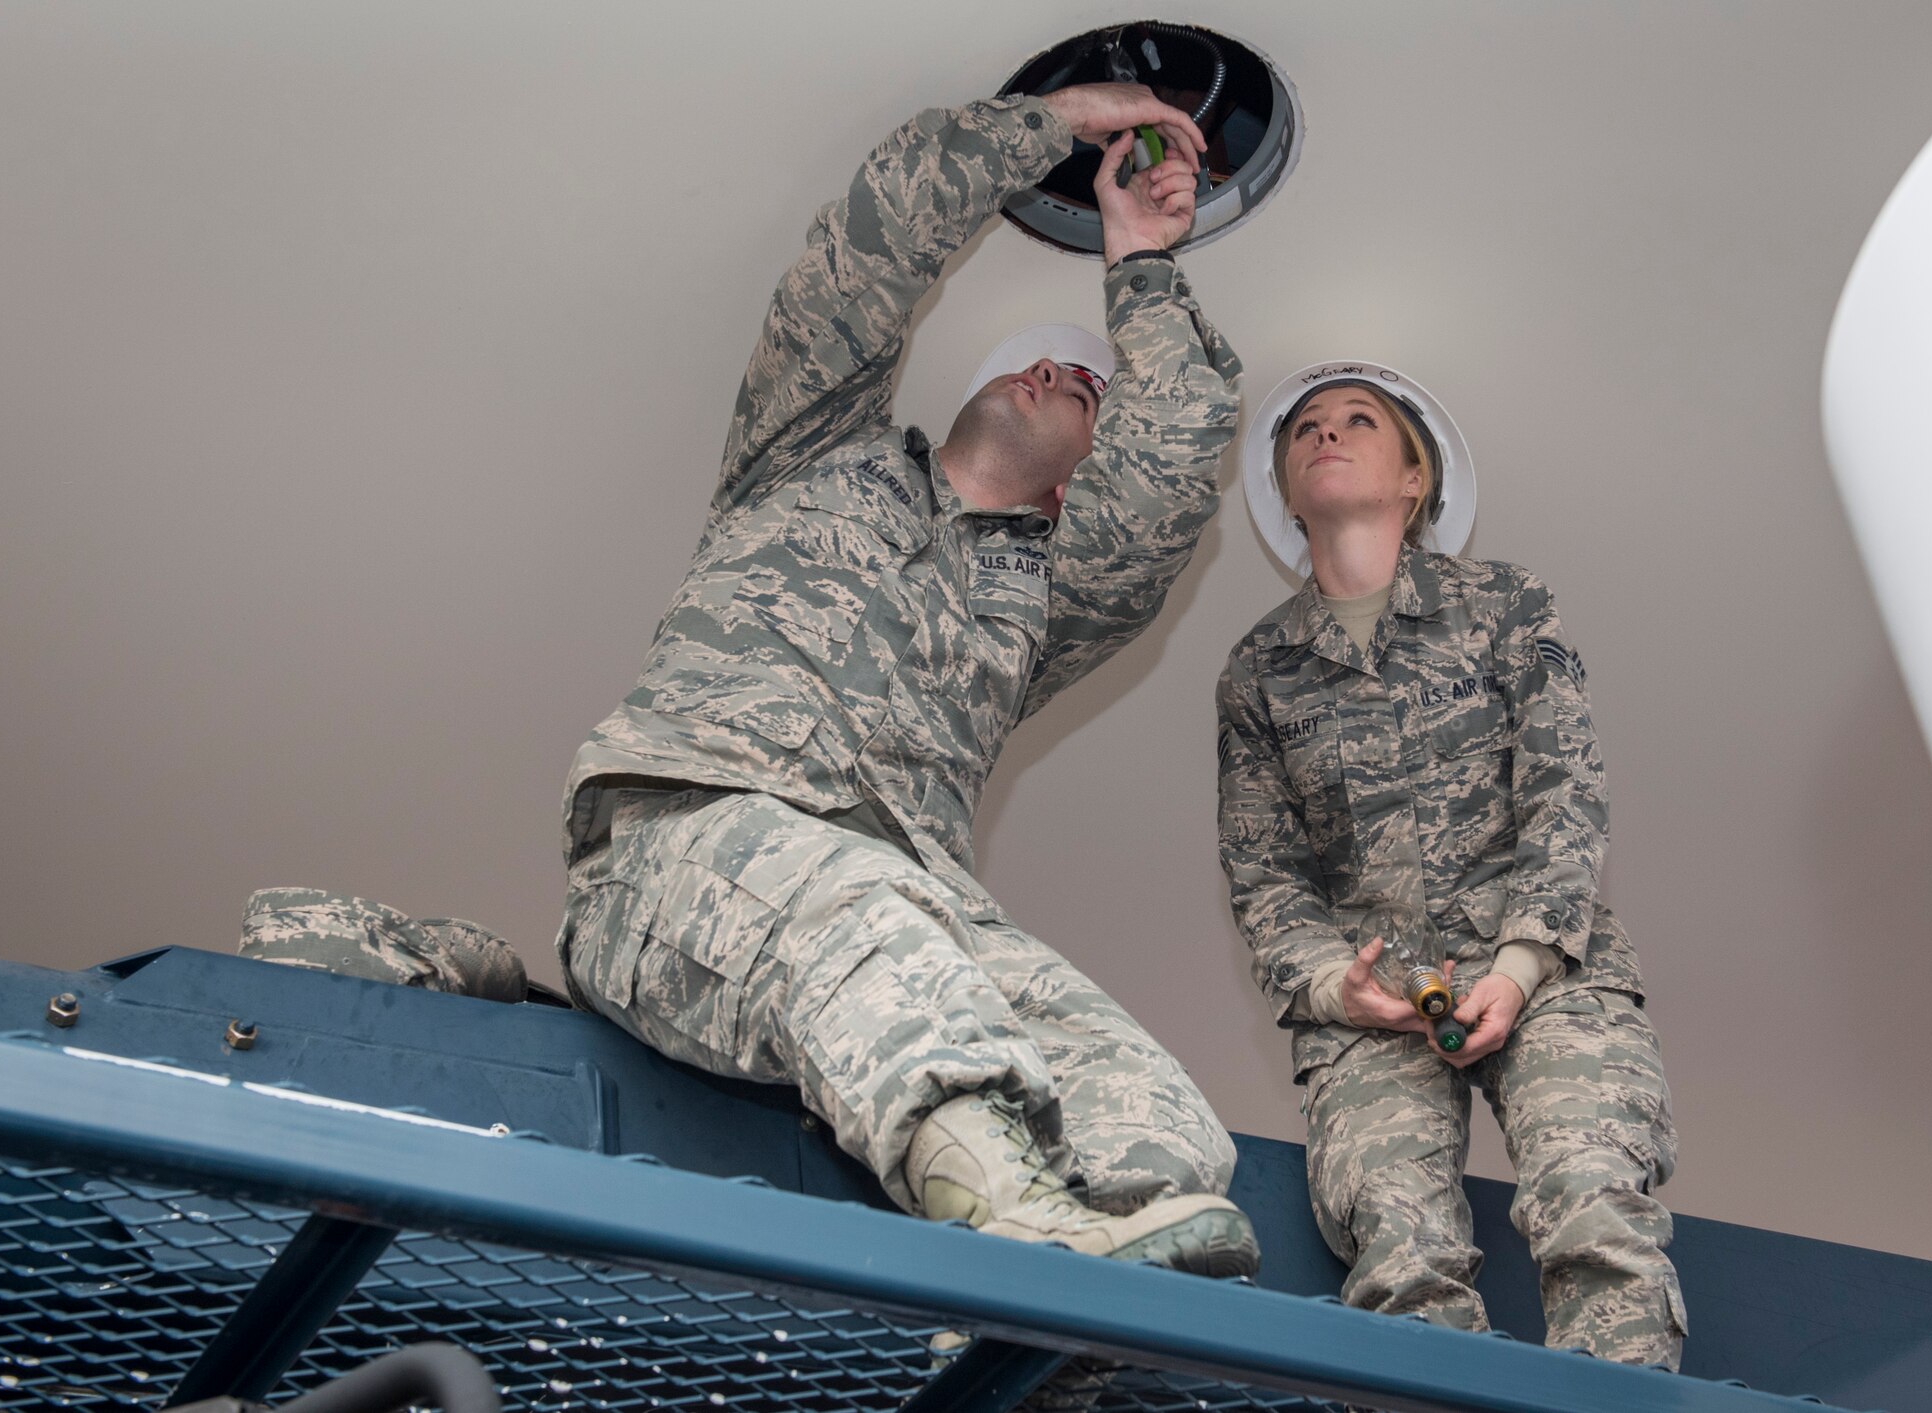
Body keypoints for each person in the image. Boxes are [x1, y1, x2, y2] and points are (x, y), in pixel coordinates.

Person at [558, 83, 1257, 1278]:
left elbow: (1178, 454)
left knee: (1143, 1096)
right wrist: (1048, 121)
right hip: (686, 843)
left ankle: (1099, 1305)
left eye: (1085, 387)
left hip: (910, 903)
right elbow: (865, 253)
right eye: (1037, 360)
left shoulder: (1047, 597)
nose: (1053, 371)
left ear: (1068, 488)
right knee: (860, 919)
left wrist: (1138, 262)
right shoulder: (809, 450)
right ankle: (1011, 1236)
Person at [1215, 362, 1684, 1364]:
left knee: (1592, 1201)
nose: (1325, 435)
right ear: (1286, 492)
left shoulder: (1505, 606)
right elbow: (1265, 877)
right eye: (1303, 430)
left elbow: (1564, 790)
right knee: (1398, 1254)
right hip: (1372, 998)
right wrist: (1334, 990)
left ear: (1413, 479)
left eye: (1357, 421)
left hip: (1543, 963)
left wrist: (1515, 972)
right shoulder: (1258, 670)